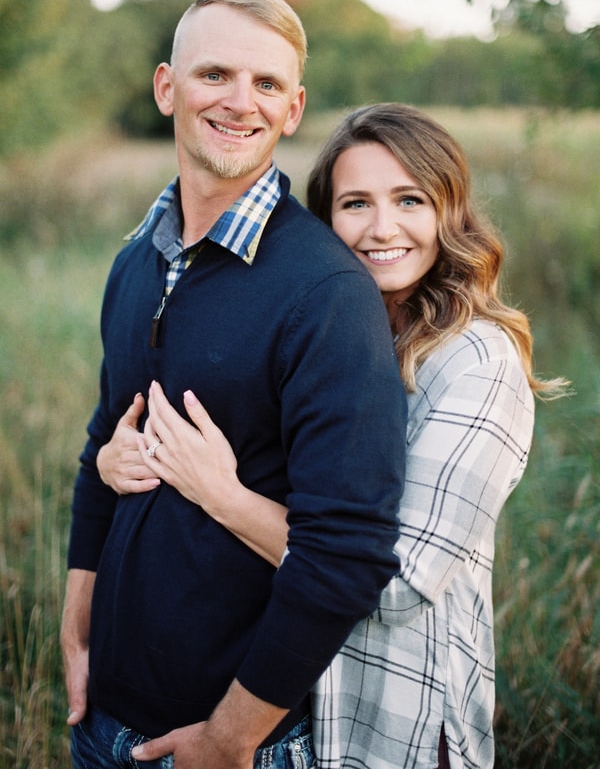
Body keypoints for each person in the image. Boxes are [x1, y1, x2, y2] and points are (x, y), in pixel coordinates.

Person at [101, 102, 567, 768]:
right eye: (355, 204)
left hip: (390, 720)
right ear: (327, 221)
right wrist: (127, 457)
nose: (383, 229)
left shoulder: (476, 363)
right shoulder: (329, 331)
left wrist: (221, 495)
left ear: (449, 212)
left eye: (409, 200)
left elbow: (394, 582)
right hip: (290, 707)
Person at [60, 0, 408, 769]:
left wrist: (231, 736)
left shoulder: (326, 293)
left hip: (234, 740)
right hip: (102, 721)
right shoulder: (135, 263)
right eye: (215, 74)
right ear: (166, 88)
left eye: (267, 84)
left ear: (292, 110)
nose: (240, 103)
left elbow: (345, 552)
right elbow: (100, 453)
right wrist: (74, 621)